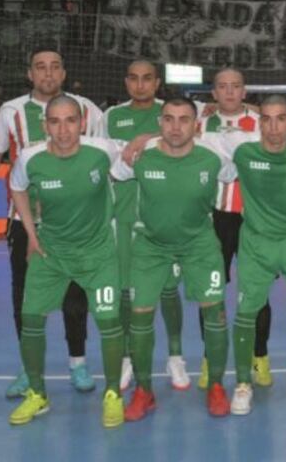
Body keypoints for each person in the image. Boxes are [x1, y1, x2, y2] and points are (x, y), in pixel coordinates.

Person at [0, 44, 103, 398]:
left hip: (77, 223)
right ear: (30, 74)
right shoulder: (10, 111)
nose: (48, 73)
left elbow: (103, 161)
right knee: (25, 299)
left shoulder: (87, 110)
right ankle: (30, 369)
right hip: (25, 221)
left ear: (64, 73)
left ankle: (78, 362)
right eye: (40, 67)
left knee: (76, 297)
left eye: (55, 66)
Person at [202, 95, 286, 415]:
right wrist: (142, 141)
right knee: (246, 312)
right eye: (267, 119)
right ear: (260, 123)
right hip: (257, 242)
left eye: (281, 119)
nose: (274, 127)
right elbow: (189, 134)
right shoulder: (240, 147)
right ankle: (243, 383)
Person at [112, 98, 234, 420]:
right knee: (139, 318)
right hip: (151, 247)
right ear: (159, 123)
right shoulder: (139, 156)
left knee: (216, 314)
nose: (176, 127)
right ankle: (143, 391)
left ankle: (217, 386)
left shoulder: (214, 158)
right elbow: (114, 174)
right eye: (168, 119)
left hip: (200, 245)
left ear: (196, 125)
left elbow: (240, 170)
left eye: (183, 120)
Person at [6, 95, 124, 428]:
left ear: (82, 123)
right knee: (30, 319)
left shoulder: (103, 150)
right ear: (45, 126)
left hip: (98, 254)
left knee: (109, 322)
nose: (63, 129)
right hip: (51, 254)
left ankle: (113, 393)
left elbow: (138, 151)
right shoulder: (30, 158)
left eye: (70, 120)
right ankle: (37, 394)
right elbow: (17, 188)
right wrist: (31, 233)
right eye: (55, 122)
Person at [99, 60, 188, 392]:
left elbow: (187, 137)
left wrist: (145, 138)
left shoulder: (172, 112)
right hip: (122, 214)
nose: (140, 85)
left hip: (164, 214)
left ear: (157, 82)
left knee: (168, 288)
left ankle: (176, 357)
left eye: (147, 79)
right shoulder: (110, 117)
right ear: (126, 83)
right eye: (134, 79)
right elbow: (101, 158)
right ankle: (125, 357)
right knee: (124, 288)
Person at [196, 68, 273, 389]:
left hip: (254, 217)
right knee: (210, 293)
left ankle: (260, 357)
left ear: (245, 92)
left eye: (235, 87)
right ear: (213, 93)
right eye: (222, 87)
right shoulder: (198, 123)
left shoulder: (262, 123)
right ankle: (210, 359)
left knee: (257, 291)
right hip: (213, 217)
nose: (229, 92)